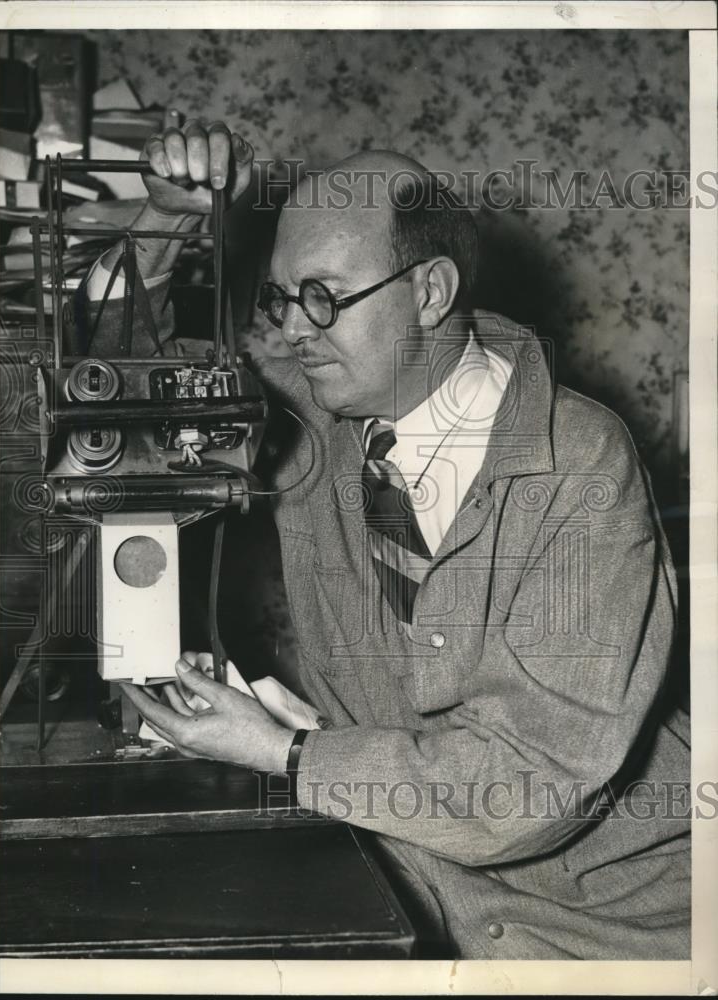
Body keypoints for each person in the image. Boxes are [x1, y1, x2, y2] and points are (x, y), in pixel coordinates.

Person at [82, 119, 691, 960]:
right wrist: (162, 225)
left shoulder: (579, 468)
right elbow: (114, 400)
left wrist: (283, 750)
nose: (294, 330)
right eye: (280, 299)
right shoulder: (312, 420)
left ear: (431, 293)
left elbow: (531, 786)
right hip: (407, 894)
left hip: (613, 932)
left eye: (324, 297)